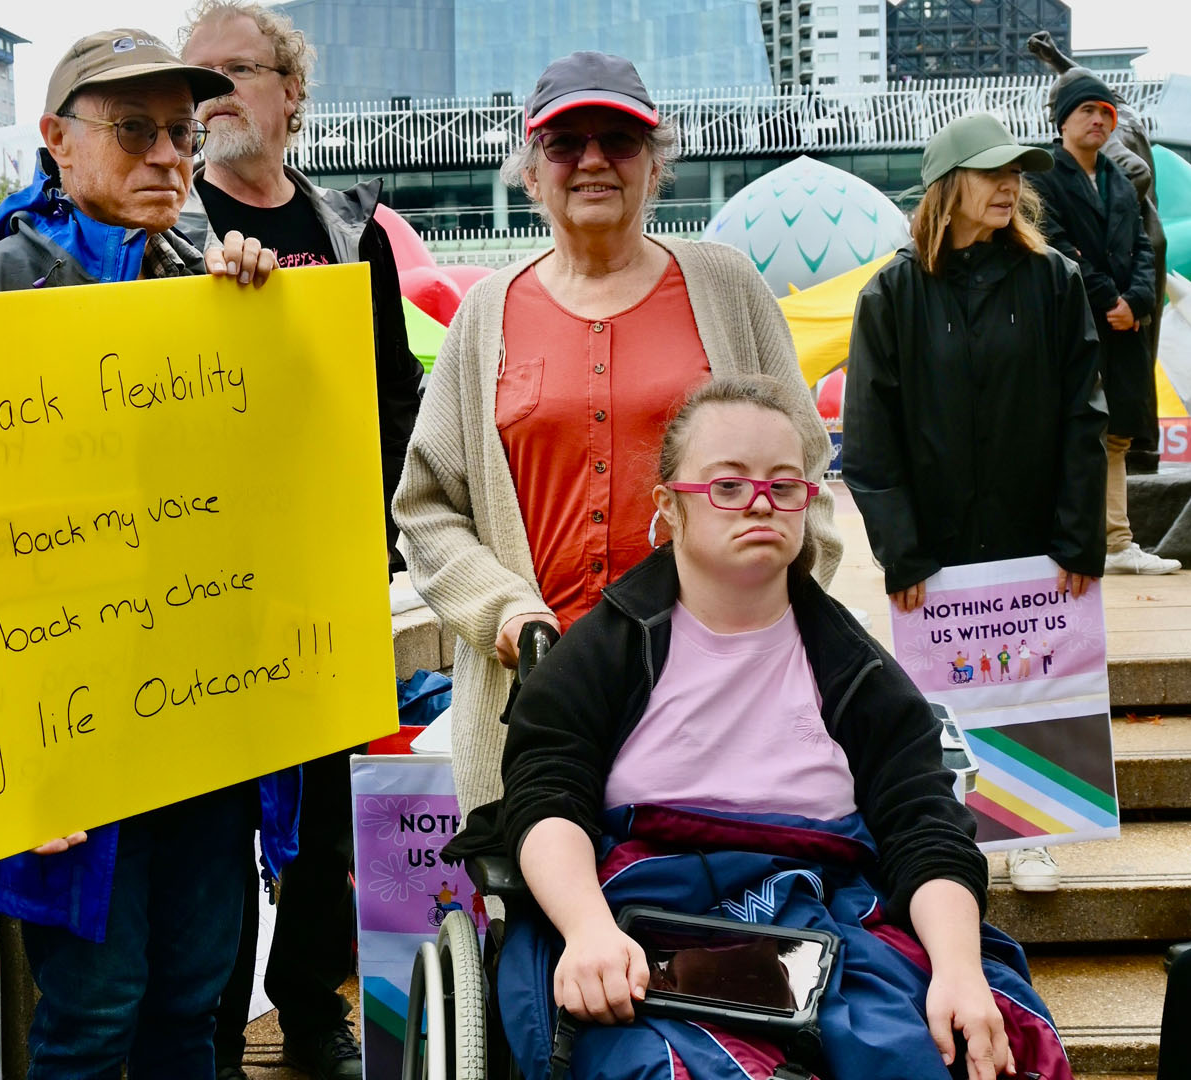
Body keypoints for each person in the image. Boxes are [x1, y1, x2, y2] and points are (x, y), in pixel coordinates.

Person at [447, 376, 1071, 1080]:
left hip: (831, 915)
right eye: (729, 486)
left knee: (965, 1047)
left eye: (785, 485)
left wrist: (958, 972)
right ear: (669, 509)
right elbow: (548, 798)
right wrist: (586, 929)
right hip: (644, 919)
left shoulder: (858, 673)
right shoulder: (600, 655)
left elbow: (924, 831)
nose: (762, 505)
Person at [0, 33, 284, 1079]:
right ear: (57, 141)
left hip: (208, 718)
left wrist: (261, 324)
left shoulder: (225, 291)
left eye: (182, 131)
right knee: (92, 1013)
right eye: (135, 130)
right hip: (60, 736)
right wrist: (0, 769)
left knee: (192, 998)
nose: (169, 155)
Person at [394, 51, 841, 822]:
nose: (593, 160)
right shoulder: (484, 317)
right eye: (565, 143)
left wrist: (752, 616)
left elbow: (805, 482)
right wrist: (503, 611)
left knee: (711, 919)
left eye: (621, 140)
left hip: (717, 698)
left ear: (654, 166)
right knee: (546, 921)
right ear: (531, 172)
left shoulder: (729, 288)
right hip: (533, 699)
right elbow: (429, 507)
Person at [176, 6, 424, 1076]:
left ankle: (313, 1004)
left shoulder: (349, 229)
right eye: (197, 75)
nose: (212, 90)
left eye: (234, 70)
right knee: (213, 822)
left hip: (324, 572)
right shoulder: (165, 225)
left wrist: (379, 533)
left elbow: (393, 396)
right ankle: (214, 1023)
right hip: (194, 584)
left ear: (291, 93)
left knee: (324, 811)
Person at [843, 112, 1108, 894]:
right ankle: (945, 839)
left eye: (1016, 172)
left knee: (1038, 678)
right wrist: (903, 549)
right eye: (992, 171)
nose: (1009, 185)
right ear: (946, 187)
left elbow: (1081, 415)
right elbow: (869, 436)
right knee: (944, 694)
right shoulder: (892, 293)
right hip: (938, 539)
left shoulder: (1053, 280)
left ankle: (1033, 838)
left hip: (1035, 531)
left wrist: (1077, 540)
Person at [1026, 76, 1176, 575]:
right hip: (1075, 326)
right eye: (1088, 110)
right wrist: (1108, 297)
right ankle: (1070, 539)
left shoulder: (1117, 176)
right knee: (1074, 430)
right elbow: (1055, 244)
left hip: (1123, 328)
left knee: (1115, 434)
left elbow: (1141, 246)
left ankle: (1117, 543)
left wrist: (1135, 300)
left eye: (1106, 113)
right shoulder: (1044, 176)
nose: (1099, 120)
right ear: (1062, 119)